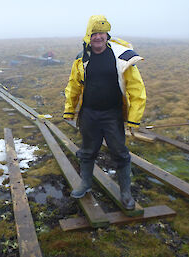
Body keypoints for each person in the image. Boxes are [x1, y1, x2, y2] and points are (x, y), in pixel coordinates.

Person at [63, 15, 146, 210]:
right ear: (88, 36)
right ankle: (85, 184)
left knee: (119, 152)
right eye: (94, 33)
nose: (97, 37)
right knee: (87, 151)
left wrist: (134, 119)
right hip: (89, 114)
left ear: (107, 35)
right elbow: (73, 86)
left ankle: (125, 192)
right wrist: (69, 109)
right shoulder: (81, 59)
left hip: (113, 115)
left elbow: (136, 88)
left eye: (101, 33)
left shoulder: (122, 57)